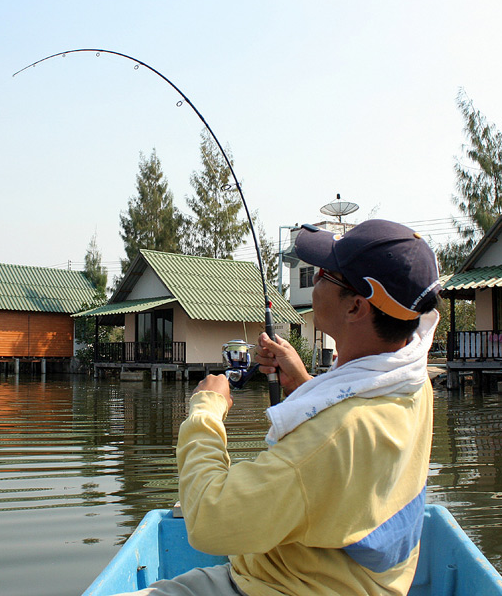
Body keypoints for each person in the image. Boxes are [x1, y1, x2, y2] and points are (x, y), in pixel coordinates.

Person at [122, 219, 442, 595]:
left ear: (356, 306)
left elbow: (211, 520)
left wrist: (206, 410)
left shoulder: (331, 440)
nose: (315, 281)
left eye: (324, 274)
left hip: (279, 586)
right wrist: (307, 386)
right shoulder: (412, 383)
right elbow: (350, 443)